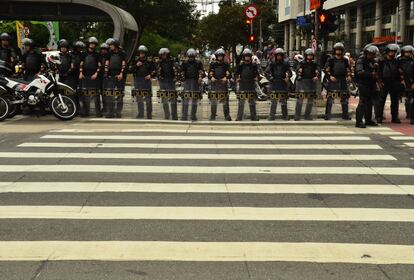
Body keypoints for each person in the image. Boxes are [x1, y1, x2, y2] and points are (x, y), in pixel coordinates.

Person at [376, 44, 404, 124]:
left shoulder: (397, 61)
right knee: (381, 100)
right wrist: (379, 81)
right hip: (384, 82)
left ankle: (395, 117)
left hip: (394, 82)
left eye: (394, 52)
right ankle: (379, 117)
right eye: (391, 51)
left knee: (395, 100)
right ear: (387, 52)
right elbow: (378, 72)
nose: (392, 53)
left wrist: (401, 80)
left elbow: (400, 72)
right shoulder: (381, 61)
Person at [324, 42, 352, 120]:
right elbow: (326, 69)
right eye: (337, 50)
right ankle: (327, 115)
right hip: (333, 80)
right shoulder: (331, 60)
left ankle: (345, 115)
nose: (338, 52)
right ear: (335, 50)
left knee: (344, 98)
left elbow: (348, 69)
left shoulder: (345, 60)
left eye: (340, 50)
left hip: (343, 80)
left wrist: (349, 76)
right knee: (330, 98)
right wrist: (330, 76)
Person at [355, 45, 380, 128]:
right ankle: (358, 122)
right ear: (366, 53)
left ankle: (368, 120)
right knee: (362, 102)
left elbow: (376, 72)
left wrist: (377, 73)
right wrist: (370, 74)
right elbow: (360, 72)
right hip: (363, 84)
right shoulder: (361, 60)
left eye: (373, 54)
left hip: (372, 84)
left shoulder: (374, 61)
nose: (371, 56)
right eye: (370, 54)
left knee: (370, 103)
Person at [103, 38, 127, 118]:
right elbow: (107, 63)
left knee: (119, 94)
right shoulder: (109, 53)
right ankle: (110, 112)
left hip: (119, 76)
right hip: (111, 76)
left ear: (116, 46)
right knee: (110, 94)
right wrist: (106, 73)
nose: (110, 46)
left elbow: (124, 64)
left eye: (112, 45)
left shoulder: (122, 53)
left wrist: (121, 74)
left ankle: (118, 112)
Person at [79, 37, 102, 117]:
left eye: (94, 44)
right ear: (88, 44)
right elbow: (81, 64)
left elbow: (100, 66)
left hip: (94, 77)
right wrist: (81, 73)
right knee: (85, 95)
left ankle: (98, 112)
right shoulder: (83, 54)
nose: (92, 45)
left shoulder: (97, 54)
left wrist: (96, 74)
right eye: (91, 43)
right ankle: (85, 112)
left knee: (96, 95)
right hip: (85, 77)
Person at [235, 48, 260, 121]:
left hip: (251, 85)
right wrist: (237, 78)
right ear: (244, 57)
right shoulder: (241, 65)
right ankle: (239, 117)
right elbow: (236, 73)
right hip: (242, 84)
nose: (247, 57)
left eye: (248, 56)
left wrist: (256, 78)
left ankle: (253, 116)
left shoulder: (253, 65)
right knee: (241, 102)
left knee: (252, 102)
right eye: (246, 56)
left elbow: (257, 74)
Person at [266, 48, 291, 120]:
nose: (279, 57)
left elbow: (290, 72)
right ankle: (271, 116)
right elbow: (267, 71)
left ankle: (285, 116)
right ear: (276, 56)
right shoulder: (272, 63)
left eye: (280, 55)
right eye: (278, 55)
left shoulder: (286, 63)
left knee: (283, 102)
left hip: (283, 83)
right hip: (274, 83)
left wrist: (288, 77)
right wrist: (270, 77)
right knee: (274, 101)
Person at [294, 48, 320, 121]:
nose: (310, 57)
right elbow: (298, 70)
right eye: (308, 55)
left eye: (311, 55)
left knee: (310, 101)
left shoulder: (315, 63)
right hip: (302, 82)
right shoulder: (302, 63)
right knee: (300, 100)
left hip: (311, 82)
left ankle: (307, 115)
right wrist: (299, 72)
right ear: (306, 56)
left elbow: (318, 70)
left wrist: (317, 76)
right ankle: (297, 115)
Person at [131, 45, 156, 119]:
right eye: (140, 53)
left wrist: (150, 75)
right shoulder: (136, 61)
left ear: (145, 53)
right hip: (138, 82)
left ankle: (149, 114)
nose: (141, 54)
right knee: (139, 99)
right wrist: (136, 65)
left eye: (142, 53)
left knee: (148, 98)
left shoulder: (149, 61)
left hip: (146, 82)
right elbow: (131, 70)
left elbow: (154, 70)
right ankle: (140, 114)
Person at [180, 48, 204, 121]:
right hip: (187, 82)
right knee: (185, 99)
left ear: (194, 56)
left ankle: (193, 115)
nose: (191, 58)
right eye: (190, 57)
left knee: (194, 99)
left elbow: (202, 72)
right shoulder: (184, 63)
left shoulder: (198, 63)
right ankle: (184, 115)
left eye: (192, 56)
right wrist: (182, 79)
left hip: (195, 82)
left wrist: (200, 77)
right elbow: (181, 72)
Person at [156, 48, 180, 120]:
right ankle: (166, 115)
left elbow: (178, 69)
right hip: (163, 82)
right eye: (162, 55)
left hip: (171, 82)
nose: (163, 56)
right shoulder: (159, 62)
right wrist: (159, 77)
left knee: (173, 99)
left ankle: (174, 116)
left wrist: (176, 78)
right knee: (164, 99)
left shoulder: (172, 61)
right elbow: (156, 71)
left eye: (165, 54)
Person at [208, 48, 231, 121]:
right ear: (216, 56)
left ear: (223, 56)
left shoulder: (226, 64)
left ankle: (227, 116)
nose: (220, 57)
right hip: (214, 85)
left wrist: (226, 77)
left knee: (225, 102)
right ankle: (213, 116)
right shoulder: (213, 64)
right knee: (213, 102)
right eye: (219, 56)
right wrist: (211, 77)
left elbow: (229, 74)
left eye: (221, 56)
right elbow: (209, 74)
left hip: (223, 85)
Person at [398, 45, 414, 121]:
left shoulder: (412, 60)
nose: (408, 54)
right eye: (406, 52)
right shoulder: (399, 60)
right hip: (401, 80)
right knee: (399, 97)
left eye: (409, 52)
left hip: (410, 81)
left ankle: (410, 113)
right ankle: (407, 113)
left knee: (410, 97)